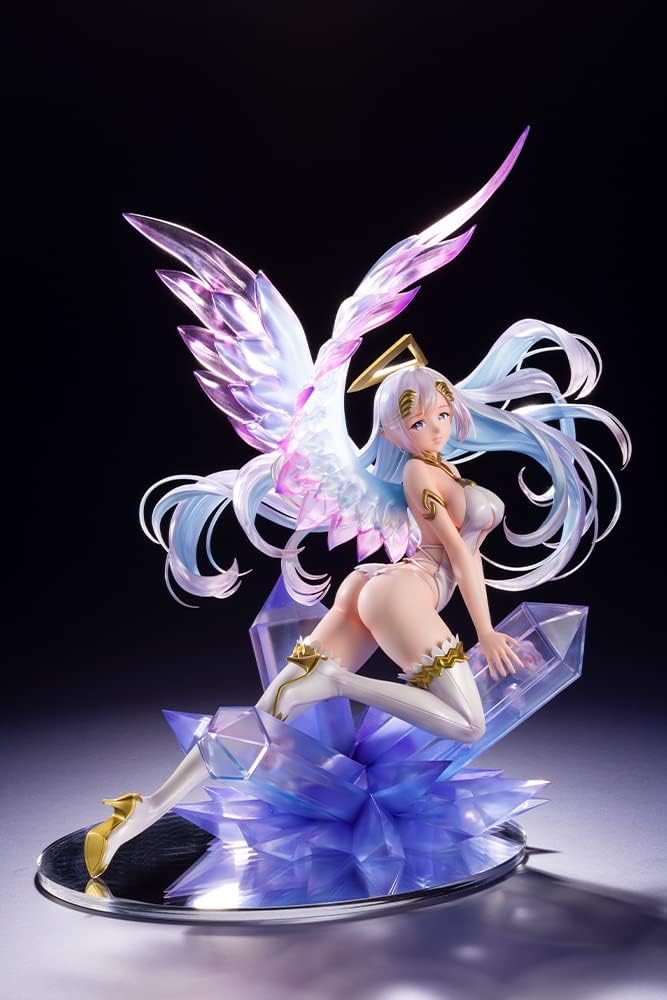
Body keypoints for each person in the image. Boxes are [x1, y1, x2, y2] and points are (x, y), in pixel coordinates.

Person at [83, 129, 630, 879]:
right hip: (405, 594)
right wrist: (485, 633)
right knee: (465, 720)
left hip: (372, 589)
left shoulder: (425, 471)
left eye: (442, 413)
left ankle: (138, 814)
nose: (437, 426)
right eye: (420, 418)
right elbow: (462, 554)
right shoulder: (424, 481)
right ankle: (337, 683)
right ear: (393, 427)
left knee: (269, 715)